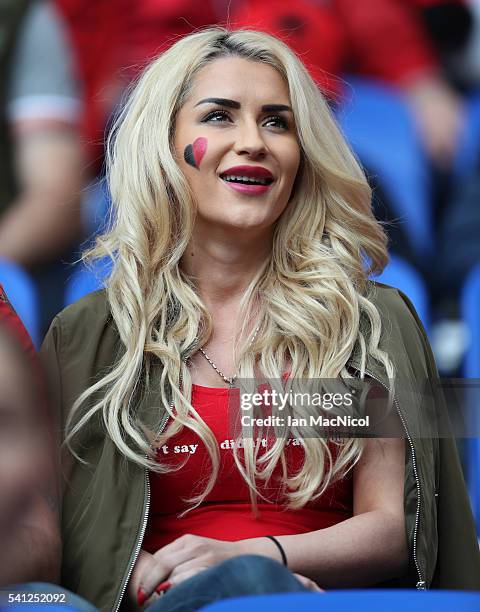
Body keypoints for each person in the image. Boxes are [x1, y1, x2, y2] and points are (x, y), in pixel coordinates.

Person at [40, 27, 480, 612]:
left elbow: (395, 525)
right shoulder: (86, 334)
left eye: (278, 122)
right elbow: (50, 526)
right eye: (219, 117)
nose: (254, 141)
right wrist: (144, 573)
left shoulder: (376, 321)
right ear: (163, 143)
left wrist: (264, 561)